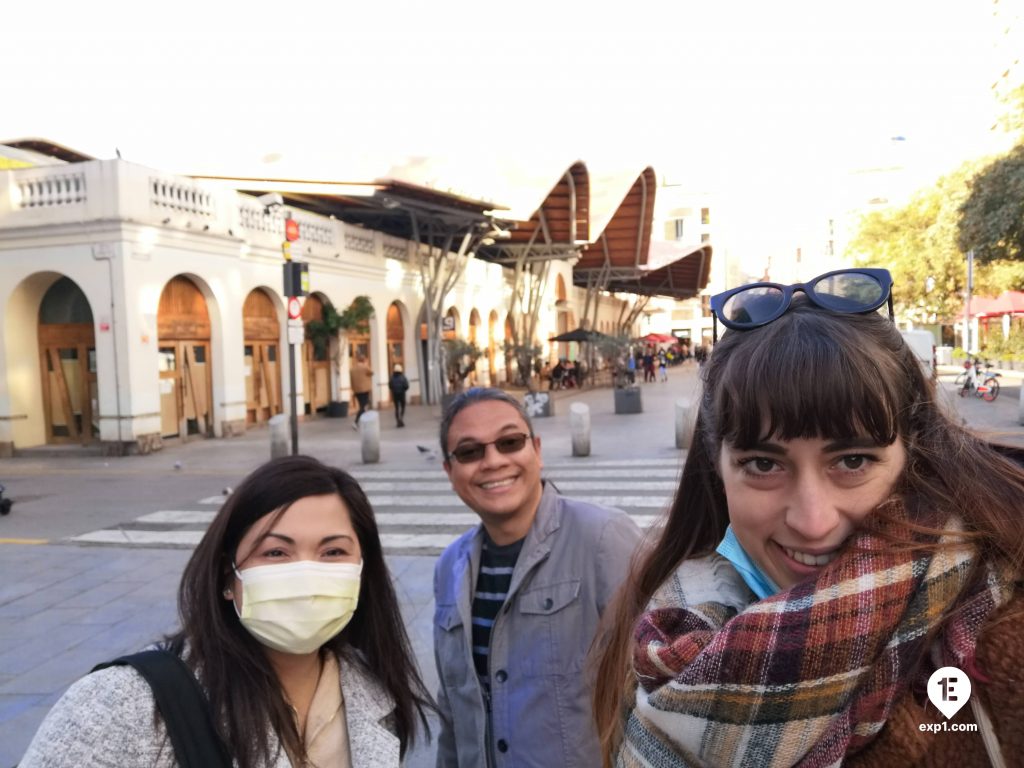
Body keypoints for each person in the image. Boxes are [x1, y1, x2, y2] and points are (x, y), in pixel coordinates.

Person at [593, 268, 1024, 768]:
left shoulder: (998, 639)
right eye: (763, 465)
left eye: (853, 461)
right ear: (718, 469)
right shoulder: (653, 637)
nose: (813, 522)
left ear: (915, 452)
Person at [21, 455, 435, 768]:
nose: (305, 572)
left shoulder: (373, 693)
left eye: (333, 551)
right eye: (275, 552)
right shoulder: (123, 705)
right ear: (227, 575)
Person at [433, 388, 643, 767]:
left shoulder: (603, 538)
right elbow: (453, 710)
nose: (493, 461)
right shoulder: (449, 567)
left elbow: (655, 691)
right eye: (470, 451)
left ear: (537, 450)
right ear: (450, 471)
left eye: (510, 442)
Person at [350, 353, 373, 429]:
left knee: (362, 405)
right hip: (364, 390)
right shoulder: (364, 367)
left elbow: (351, 380)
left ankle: (364, 421)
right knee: (363, 406)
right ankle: (356, 422)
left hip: (357, 390)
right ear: (364, 360)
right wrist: (366, 364)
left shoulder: (353, 369)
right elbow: (371, 373)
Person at [388, 363, 409, 427]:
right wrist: (403, 390)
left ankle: (397, 421)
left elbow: (390, 386)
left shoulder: (392, 377)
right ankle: (401, 418)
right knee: (402, 407)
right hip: (402, 394)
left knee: (396, 408)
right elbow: (406, 386)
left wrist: (393, 390)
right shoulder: (403, 377)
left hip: (395, 394)